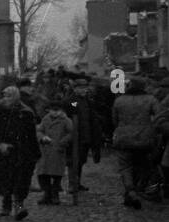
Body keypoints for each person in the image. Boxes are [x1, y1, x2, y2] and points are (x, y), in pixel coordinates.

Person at [0, 84, 41, 219]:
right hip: (4, 151)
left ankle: (19, 206)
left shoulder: (26, 112)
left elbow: (31, 134)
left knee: (21, 179)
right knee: (6, 178)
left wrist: (35, 152)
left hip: (22, 151)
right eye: (4, 96)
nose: (6, 99)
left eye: (9, 96)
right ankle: (6, 204)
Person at [110, 77, 160, 209]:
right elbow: (159, 117)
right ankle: (137, 190)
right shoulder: (151, 99)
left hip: (123, 138)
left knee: (125, 167)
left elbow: (114, 120)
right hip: (145, 139)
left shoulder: (119, 100)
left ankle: (130, 191)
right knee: (144, 166)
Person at [64, 77, 103, 201]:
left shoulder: (87, 101)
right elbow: (70, 110)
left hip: (86, 135)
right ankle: (72, 184)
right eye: (81, 88)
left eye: (85, 88)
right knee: (73, 161)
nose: (84, 90)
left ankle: (77, 182)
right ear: (75, 89)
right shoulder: (72, 101)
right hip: (76, 136)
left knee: (80, 161)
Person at [35, 98, 72, 205]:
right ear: (49, 110)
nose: (55, 112)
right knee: (42, 174)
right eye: (53, 110)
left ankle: (55, 194)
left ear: (61, 110)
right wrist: (42, 137)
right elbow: (39, 130)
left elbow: (71, 133)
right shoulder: (45, 119)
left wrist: (63, 142)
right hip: (45, 150)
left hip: (58, 150)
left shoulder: (66, 120)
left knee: (56, 175)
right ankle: (47, 193)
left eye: (57, 110)